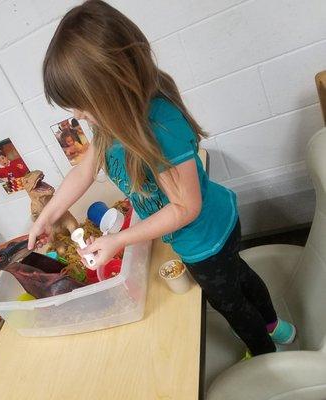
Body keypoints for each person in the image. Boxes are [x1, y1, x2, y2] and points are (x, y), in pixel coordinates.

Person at [27, 0, 296, 358]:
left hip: (206, 239)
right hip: (209, 230)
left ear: (113, 88)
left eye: (82, 105)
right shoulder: (110, 123)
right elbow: (84, 170)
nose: (78, 116)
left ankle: (265, 358)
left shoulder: (159, 127)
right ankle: (277, 327)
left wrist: (119, 240)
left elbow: (186, 207)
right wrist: (47, 215)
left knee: (229, 301)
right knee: (239, 276)